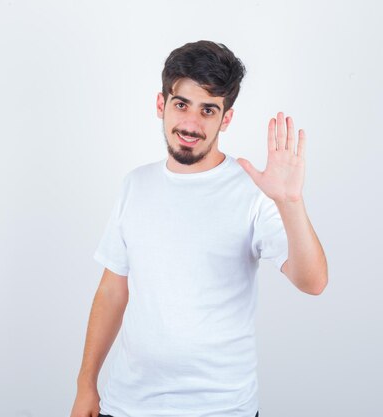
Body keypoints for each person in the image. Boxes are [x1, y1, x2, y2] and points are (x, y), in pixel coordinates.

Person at [69, 40, 328, 417]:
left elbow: (313, 281)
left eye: (208, 110)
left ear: (226, 119)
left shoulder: (252, 192)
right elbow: (112, 291)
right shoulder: (135, 185)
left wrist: (290, 203)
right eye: (181, 105)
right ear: (161, 105)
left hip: (221, 408)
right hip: (127, 405)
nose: (190, 124)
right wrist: (85, 385)